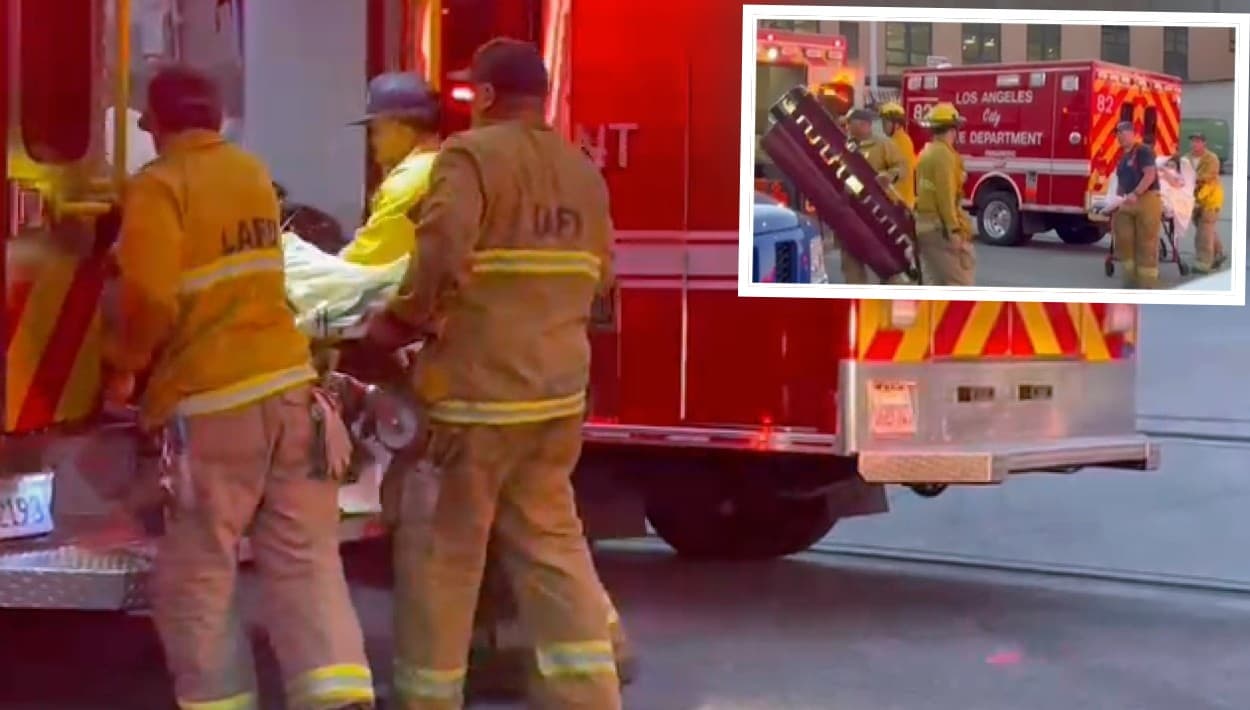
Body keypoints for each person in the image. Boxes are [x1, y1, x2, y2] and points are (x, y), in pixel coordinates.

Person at [362, 38, 625, 709]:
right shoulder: (581, 169)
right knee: (553, 552)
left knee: (442, 561)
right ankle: (590, 696)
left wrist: (399, 323)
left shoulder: (470, 157)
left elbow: (443, 251)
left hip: (477, 400)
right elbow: (604, 284)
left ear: (480, 95)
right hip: (556, 398)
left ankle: (428, 699)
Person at [104, 64, 375, 710]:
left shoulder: (161, 186)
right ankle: (339, 699)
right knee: (306, 562)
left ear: (153, 122)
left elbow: (148, 296)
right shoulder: (251, 175)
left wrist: (124, 367)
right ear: (219, 118)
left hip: (211, 406)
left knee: (198, 573)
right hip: (292, 396)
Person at [338, 72, 443, 266]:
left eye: (377, 130)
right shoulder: (443, 164)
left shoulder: (410, 180)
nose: (372, 141)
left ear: (401, 128)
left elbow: (360, 264)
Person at [838, 107, 908, 284]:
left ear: (865, 125)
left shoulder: (884, 144)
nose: (846, 128)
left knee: (889, 269)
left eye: (849, 124)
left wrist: (890, 176)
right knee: (852, 269)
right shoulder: (844, 145)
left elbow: (902, 167)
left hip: (879, 216)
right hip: (852, 216)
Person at [913, 102, 976, 286]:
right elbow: (945, 196)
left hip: (926, 227)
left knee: (936, 283)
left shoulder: (927, 151)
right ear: (952, 129)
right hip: (939, 229)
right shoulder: (943, 155)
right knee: (959, 285)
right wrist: (953, 230)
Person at [1111, 121, 1163, 288]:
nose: (1120, 135)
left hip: (1147, 199)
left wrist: (1136, 193)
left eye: (1124, 132)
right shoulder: (1122, 156)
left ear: (1133, 133)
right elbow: (1121, 182)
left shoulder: (1143, 151)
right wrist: (1114, 201)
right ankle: (1130, 280)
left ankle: (1147, 284)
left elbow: (1149, 175)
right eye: (1118, 133)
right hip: (1128, 201)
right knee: (1124, 240)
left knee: (1146, 243)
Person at [1186, 131, 1226, 273]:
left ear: (1204, 143)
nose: (1195, 143)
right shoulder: (1187, 158)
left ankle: (1203, 263)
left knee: (1204, 232)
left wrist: (1189, 178)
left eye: (1198, 141)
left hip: (1210, 199)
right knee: (1206, 230)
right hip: (1194, 200)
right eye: (1193, 141)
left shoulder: (1212, 158)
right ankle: (1219, 254)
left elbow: (1208, 176)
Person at [877, 101, 917, 209]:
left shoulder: (900, 142)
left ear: (897, 124)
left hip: (899, 202)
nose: (883, 125)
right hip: (900, 201)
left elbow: (901, 171)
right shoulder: (898, 140)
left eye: (886, 122)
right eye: (883, 122)